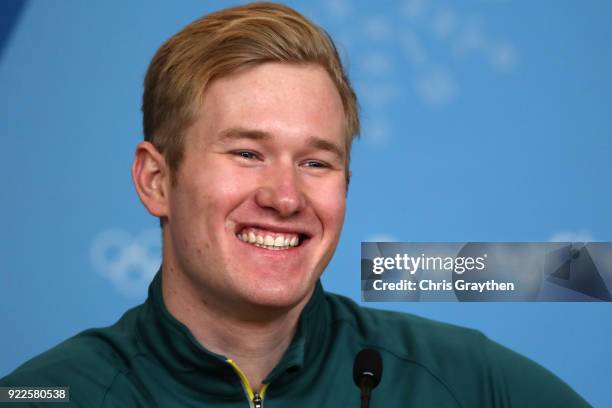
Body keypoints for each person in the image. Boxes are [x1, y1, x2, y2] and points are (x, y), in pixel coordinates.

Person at [0, 2, 591, 407]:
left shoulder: (460, 381)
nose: (285, 198)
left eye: (316, 163)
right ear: (156, 179)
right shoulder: (54, 394)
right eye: (248, 153)